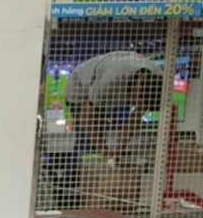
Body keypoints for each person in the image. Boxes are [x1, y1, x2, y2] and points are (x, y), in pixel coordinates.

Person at [62, 51, 164, 204]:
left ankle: (99, 194)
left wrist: (117, 151)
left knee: (101, 146)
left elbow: (133, 121)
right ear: (138, 86)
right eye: (138, 102)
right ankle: (68, 193)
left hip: (112, 84)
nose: (137, 106)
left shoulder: (157, 80)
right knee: (87, 145)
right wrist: (105, 150)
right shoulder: (110, 81)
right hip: (80, 88)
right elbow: (85, 119)